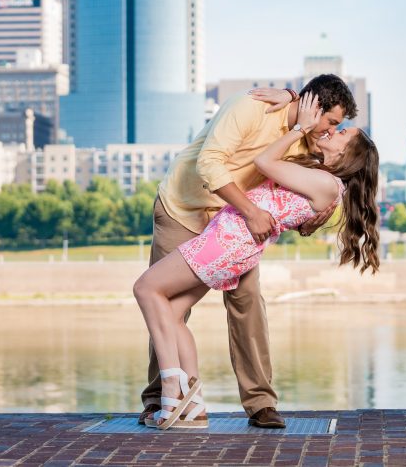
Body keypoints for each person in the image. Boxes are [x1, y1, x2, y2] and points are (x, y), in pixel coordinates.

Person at [134, 91, 381, 429]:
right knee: (169, 310)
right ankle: (173, 400)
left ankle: (254, 402)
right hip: (187, 209)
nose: (329, 131)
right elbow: (210, 163)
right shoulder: (252, 108)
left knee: (226, 303)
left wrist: (308, 216)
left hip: (230, 235)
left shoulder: (308, 146)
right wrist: (293, 96)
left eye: (338, 130)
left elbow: (297, 195)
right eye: (333, 123)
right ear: (314, 107)